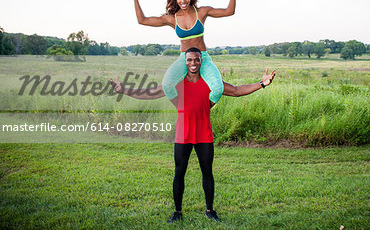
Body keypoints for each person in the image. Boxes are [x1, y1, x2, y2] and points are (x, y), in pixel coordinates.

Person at [110, 47, 276, 223]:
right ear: (184, 62)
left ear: (201, 61)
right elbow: (150, 93)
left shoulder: (211, 83)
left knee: (207, 173)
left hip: (204, 135)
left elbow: (236, 90)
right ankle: (177, 212)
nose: (193, 63)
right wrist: (124, 90)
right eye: (189, 60)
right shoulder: (176, 84)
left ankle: (210, 210)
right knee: (179, 173)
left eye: (196, 59)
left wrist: (262, 83)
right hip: (183, 135)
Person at [133, 0, 236, 107]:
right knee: (166, 86)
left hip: (202, 57)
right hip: (184, 59)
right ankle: (183, 109)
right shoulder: (172, 18)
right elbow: (142, 20)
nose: (183, 1)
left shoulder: (202, 12)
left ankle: (202, 110)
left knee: (218, 89)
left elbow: (229, 11)